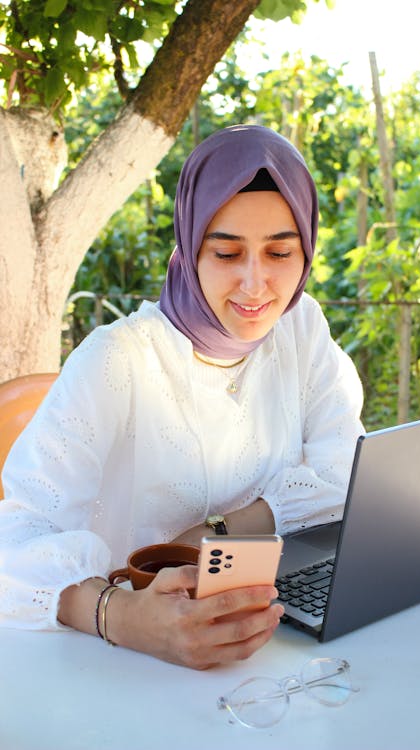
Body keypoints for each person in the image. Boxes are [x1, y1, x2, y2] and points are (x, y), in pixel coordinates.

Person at [0, 124, 364, 669]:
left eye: (280, 253)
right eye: (226, 252)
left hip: (262, 648)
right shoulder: (118, 360)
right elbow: (15, 536)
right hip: (115, 666)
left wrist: (217, 533)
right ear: (190, 244)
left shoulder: (300, 329)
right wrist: (118, 615)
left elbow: (349, 477)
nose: (255, 284)